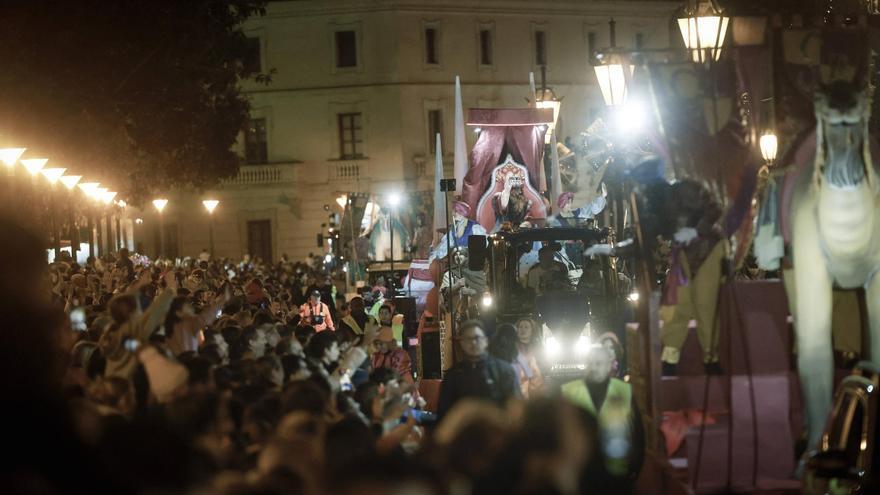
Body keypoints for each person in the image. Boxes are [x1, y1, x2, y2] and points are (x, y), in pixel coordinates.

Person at [562, 345, 644, 481]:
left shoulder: (624, 391)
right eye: (589, 363)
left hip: (618, 475)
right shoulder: (568, 391)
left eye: (598, 363)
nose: (593, 367)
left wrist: (635, 467)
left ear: (608, 366)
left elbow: (637, 434)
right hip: (582, 476)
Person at [99, 270, 177, 379]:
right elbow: (156, 311)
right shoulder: (133, 332)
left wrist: (139, 286)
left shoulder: (111, 329)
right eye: (138, 307)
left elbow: (124, 301)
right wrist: (170, 287)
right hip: (123, 387)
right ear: (132, 312)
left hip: (111, 382)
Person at [437, 320, 521, 419]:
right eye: (468, 339)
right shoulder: (453, 375)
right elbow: (444, 414)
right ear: (462, 344)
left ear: (486, 341)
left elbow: (516, 408)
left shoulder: (504, 370)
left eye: (477, 338)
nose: (473, 342)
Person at [514, 318, 545, 398]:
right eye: (520, 327)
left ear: (532, 331)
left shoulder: (538, 347)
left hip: (536, 386)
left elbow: (545, 364)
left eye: (526, 327)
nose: (523, 329)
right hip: (518, 386)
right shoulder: (511, 347)